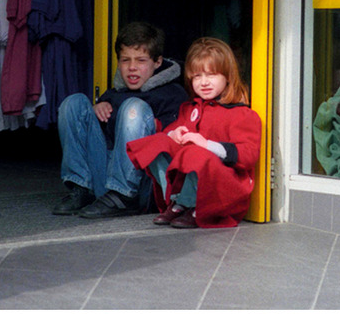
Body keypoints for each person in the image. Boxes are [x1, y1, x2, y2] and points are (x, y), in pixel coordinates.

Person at [52, 21, 188, 219]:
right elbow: (93, 139)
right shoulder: (115, 93)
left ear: (157, 62)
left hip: (142, 186)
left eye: (141, 61)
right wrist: (95, 111)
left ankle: (124, 196)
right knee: (73, 103)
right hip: (105, 185)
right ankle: (81, 189)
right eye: (125, 60)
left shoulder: (173, 95)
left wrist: (144, 119)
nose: (132, 68)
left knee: (134, 108)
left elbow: (172, 145)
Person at [127, 37, 261, 229]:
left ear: (228, 76)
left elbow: (248, 155)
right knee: (156, 143)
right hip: (192, 181)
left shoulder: (242, 114)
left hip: (225, 188)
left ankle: (194, 205)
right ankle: (179, 202)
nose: (204, 82)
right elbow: (170, 135)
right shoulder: (189, 108)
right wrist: (172, 134)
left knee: (194, 152)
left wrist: (207, 145)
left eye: (212, 75)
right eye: (197, 76)